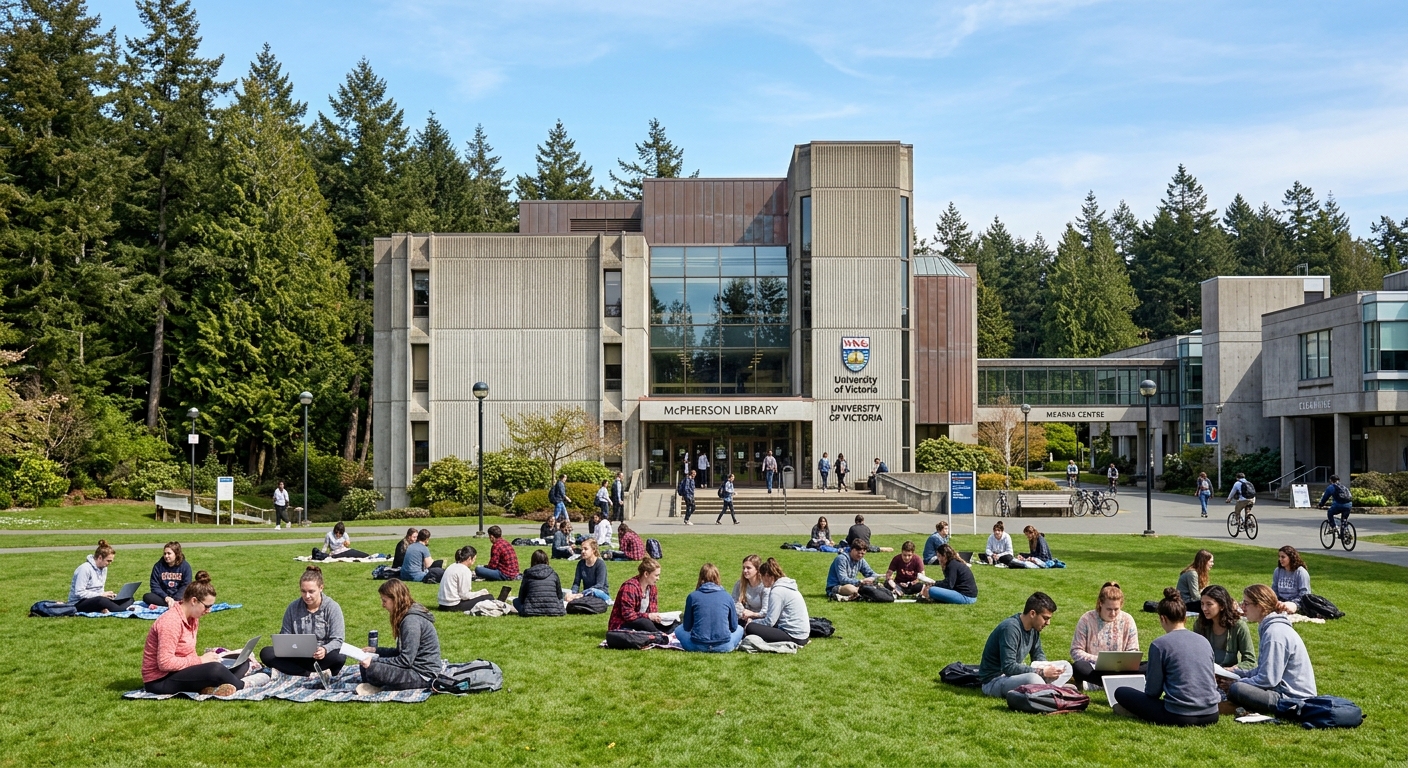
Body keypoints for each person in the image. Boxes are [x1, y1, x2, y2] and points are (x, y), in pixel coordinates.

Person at [1112, 588, 1220, 726]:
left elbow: (1153, 692)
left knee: (1121, 692)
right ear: (1185, 617)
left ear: (1162, 618)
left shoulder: (1160, 645)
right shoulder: (1204, 641)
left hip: (1179, 715)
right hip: (1211, 714)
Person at [142, 571, 250, 696]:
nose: (209, 611)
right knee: (216, 669)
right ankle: (243, 686)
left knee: (241, 661)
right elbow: (165, 663)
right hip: (160, 680)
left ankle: (217, 685)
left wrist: (203, 662)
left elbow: (188, 652)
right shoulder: (170, 622)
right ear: (194, 601)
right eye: (207, 606)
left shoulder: (193, 618)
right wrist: (200, 660)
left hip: (181, 670)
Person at [1228, 584, 1318, 716]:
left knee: (1236, 689)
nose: (1242, 607)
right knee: (1236, 686)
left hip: (1292, 699)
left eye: (1246, 603)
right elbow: (1264, 670)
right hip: (1283, 692)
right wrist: (1238, 673)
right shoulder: (1271, 628)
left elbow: (1268, 679)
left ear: (1260, 606)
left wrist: (1236, 682)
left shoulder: (1274, 633)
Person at [259, 565, 347, 677]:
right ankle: (309, 674)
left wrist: (324, 649)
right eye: (303, 591)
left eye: (311, 591)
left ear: (321, 588)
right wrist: (288, 648)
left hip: (321, 658)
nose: (307, 596)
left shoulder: (332, 607)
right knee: (266, 653)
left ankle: (293, 671)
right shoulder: (293, 607)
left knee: (339, 656)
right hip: (297, 656)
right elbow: (285, 635)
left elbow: (338, 639)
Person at [356, 579, 442, 693]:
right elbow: (400, 652)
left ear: (395, 600)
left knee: (373, 668)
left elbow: (406, 660)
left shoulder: (411, 622)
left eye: (384, 601)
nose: (383, 605)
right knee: (366, 663)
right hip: (413, 668)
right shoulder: (406, 617)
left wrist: (375, 661)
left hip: (423, 675)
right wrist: (376, 650)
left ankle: (376, 684)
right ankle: (375, 683)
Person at [978, 592, 1069, 697]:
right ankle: (1054, 690)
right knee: (1033, 679)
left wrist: (1049, 668)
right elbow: (1009, 667)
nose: (1048, 623)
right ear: (1032, 614)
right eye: (1045, 618)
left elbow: (1038, 655)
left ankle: (1049, 689)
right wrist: (1042, 672)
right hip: (994, 681)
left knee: (1066, 666)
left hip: (1012, 677)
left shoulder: (1034, 629)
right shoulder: (1010, 628)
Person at [1070, 581, 1140, 689]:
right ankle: (1116, 683)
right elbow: (1075, 651)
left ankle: (1099, 683)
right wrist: (1098, 660)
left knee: (1149, 666)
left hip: (1121, 669)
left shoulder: (1128, 619)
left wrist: (1121, 662)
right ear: (1100, 603)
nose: (1112, 614)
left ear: (1121, 605)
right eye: (1109, 609)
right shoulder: (1086, 619)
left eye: (1116, 609)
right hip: (1094, 668)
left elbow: (1133, 651)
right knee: (1078, 667)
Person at [673, 563, 743, 653]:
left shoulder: (692, 596)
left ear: (701, 578)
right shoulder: (727, 596)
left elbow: (686, 627)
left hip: (696, 645)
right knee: (740, 628)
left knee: (678, 629)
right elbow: (734, 627)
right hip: (724, 645)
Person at [745, 558, 810, 645]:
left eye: (761, 577)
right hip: (802, 634)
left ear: (767, 576)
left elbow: (770, 622)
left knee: (751, 627)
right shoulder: (787, 586)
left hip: (793, 636)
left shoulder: (777, 592)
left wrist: (752, 622)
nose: (761, 580)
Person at [1194, 585, 1257, 671]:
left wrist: (1231, 670)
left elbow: (1250, 661)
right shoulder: (1200, 625)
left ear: (1222, 606)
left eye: (1209, 604)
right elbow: (1195, 655)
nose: (1204, 608)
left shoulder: (1238, 626)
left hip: (1229, 676)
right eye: (1202, 604)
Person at [70, 540, 133, 613]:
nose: (110, 563)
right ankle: (123, 608)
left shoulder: (104, 568)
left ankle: (114, 607)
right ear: (100, 558)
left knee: (129, 598)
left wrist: (108, 595)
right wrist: (101, 595)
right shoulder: (84, 569)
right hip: (79, 602)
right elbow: (79, 592)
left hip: (98, 598)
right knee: (100, 600)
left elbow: (100, 588)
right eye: (108, 561)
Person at [608, 557, 670, 632]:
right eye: (656, 575)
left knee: (676, 621)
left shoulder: (652, 588)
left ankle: (658, 633)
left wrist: (656, 617)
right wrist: (648, 616)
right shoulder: (629, 587)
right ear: (646, 574)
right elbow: (628, 614)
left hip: (641, 621)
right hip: (623, 624)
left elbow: (653, 610)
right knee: (645, 623)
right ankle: (658, 635)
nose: (658, 578)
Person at [438, 546, 493, 613]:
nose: (474, 562)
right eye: (474, 559)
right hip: (453, 606)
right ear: (469, 558)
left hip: (442, 604)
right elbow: (464, 595)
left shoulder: (452, 566)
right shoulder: (464, 570)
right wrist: (480, 593)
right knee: (489, 597)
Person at [515, 550, 566, 617]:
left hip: (530, 611)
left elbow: (521, 597)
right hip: (554, 610)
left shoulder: (528, 574)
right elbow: (559, 595)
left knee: (515, 601)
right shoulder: (553, 574)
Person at [143, 541, 192, 608]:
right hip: (164, 597)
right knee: (147, 597)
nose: (166, 556)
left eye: (169, 553)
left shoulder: (185, 566)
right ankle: (174, 605)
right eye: (165, 553)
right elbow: (154, 585)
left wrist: (175, 598)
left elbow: (186, 585)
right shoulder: (158, 566)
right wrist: (166, 597)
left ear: (176, 554)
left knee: (193, 595)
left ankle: (174, 603)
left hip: (179, 596)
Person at [1272, 546, 1311, 615]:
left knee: (1286, 608)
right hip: (1281, 600)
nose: (1280, 559)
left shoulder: (1301, 572)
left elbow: (1304, 593)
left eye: (1283, 557)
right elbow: (1274, 590)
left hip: (1296, 602)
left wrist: (1293, 602)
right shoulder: (1278, 571)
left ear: (1291, 557)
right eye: (1279, 557)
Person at [732, 554, 765, 622]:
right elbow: (734, 602)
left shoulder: (764, 586)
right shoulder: (740, 584)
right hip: (744, 617)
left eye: (748, 568)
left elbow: (766, 611)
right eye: (744, 568)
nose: (745, 570)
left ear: (757, 570)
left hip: (762, 619)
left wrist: (752, 615)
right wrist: (743, 614)